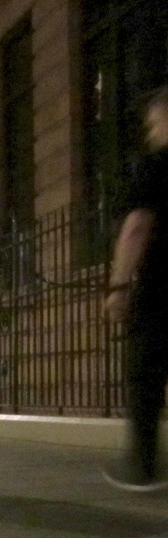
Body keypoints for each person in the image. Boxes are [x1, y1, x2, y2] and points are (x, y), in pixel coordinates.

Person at [103, 87, 168, 491]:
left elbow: (136, 228)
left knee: (145, 372)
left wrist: (119, 286)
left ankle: (142, 465)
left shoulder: (157, 167)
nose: (150, 132)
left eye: (154, 123)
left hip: (162, 289)